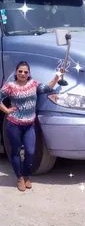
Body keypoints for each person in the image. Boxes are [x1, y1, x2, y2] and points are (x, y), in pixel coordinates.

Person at [0, 61, 62, 192]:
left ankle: (27, 175)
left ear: (29, 74)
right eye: (20, 71)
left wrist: (57, 77)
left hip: (29, 125)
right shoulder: (10, 86)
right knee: (15, 152)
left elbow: (47, 88)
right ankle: (20, 178)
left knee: (30, 152)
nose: (23, 74)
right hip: (14, 125)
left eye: (25, 72)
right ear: (16, 72)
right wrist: (6, 110)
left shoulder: (34, 84)